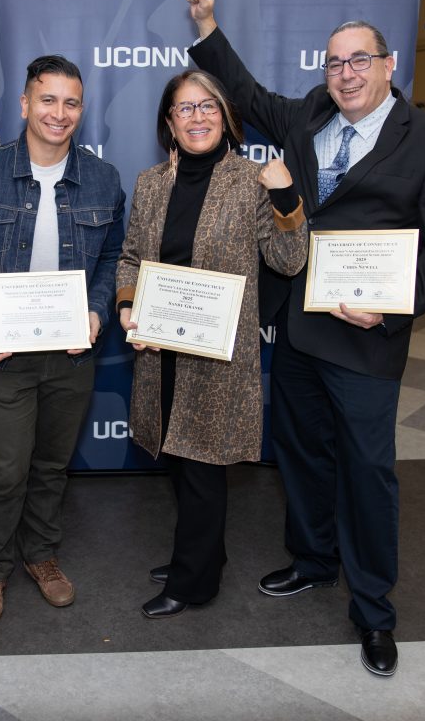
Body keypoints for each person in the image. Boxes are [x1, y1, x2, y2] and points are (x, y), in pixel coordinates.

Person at [186, 0, 425, 676]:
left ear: (389, 64)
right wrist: (207, 25)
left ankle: (374, 610)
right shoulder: (311, 114)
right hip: (299, 327)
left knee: (368, 473)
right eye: (335, 62)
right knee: (303, 455)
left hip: (368, 338)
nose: (346, 73)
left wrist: (394, 306)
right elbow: (247, 96)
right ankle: (313, 561)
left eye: (359, 61)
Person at [116, 70, 307, 619]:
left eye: (208, 107)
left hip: (218, 354)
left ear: (226, 118)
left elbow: (289, 262)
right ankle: (203, 554)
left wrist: (286, 195)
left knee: (201, 466)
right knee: (174, 456)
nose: (197, 117)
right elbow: (131, 256)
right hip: (159, 348)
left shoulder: (252, 181)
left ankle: (194, 581)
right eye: (184, 109)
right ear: (169, 124)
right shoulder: (152, 182)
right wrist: (127, 303)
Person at [0, 54, 126, 625]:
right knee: (6, 469)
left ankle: (41, 555)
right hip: (4, 351)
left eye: (71, 102)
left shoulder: (104, 178)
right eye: (47, 100)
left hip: (72, 351)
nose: (60, 112)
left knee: (52, 464)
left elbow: (110, 262)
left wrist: (98, 312)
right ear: (24, 104)